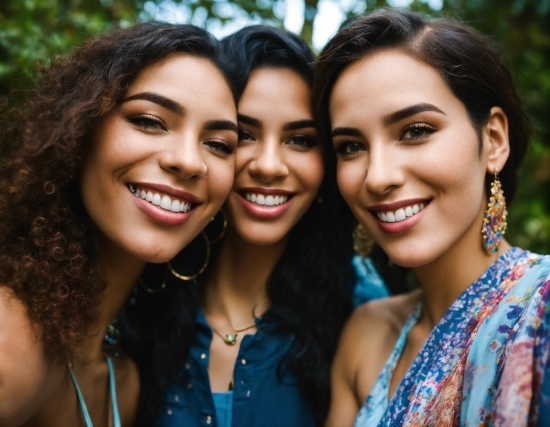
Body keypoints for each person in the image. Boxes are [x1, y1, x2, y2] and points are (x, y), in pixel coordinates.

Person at [125, 25, 385, 427]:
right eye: (243, 134)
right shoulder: (136, 290)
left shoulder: (363, 309)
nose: (267, 166)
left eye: (300, 140)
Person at [312, 8, 550, 427]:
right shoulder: (367, 335)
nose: (378, 177)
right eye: (351, 146)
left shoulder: (541, 309)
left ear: (493, 139)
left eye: (416, 130)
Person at [0, 22, 238, 426]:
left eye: (217, 144)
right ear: (78, 130)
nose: (188, 160)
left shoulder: (124, 380)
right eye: (149, 120)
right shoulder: (14, 338)